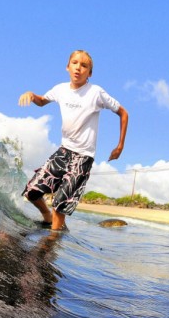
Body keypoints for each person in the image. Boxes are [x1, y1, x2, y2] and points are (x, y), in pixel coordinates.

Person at [18, 50, 129, 231]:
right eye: (75, 63)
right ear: (68, 67)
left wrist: (120, 146)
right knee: (32, 192)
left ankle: (52, 243)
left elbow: (123, 113)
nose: (79, 68)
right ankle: (46, 217)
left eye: (84, 66)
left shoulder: (95, 92)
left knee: (60, 205)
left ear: (89, 73)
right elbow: (42, 101)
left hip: (83, 157)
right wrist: (31, 94)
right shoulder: (60, 89)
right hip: (63, 151)